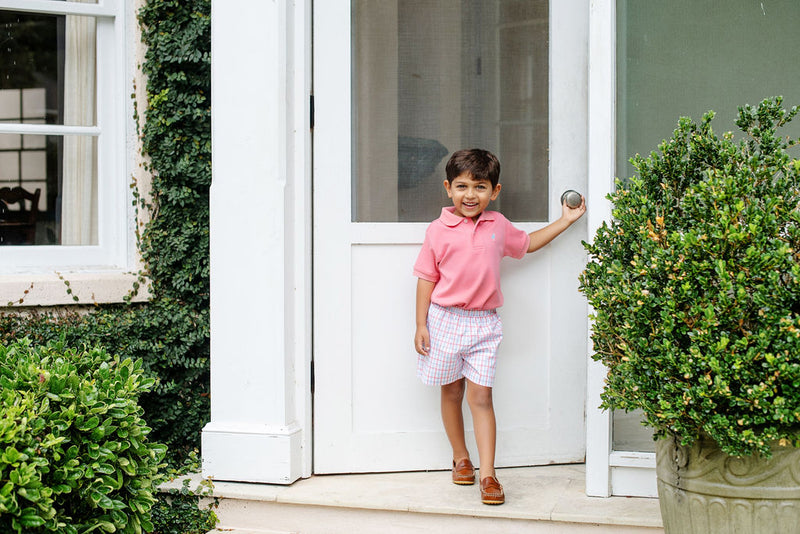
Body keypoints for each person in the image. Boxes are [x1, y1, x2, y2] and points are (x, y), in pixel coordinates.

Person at [412, 148, 586, 505]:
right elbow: (426, 278)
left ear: (495, 191)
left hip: (484, 325)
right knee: (450, 392)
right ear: (448, 188)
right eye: (462, 186)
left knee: (482, 397)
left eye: (480, 186)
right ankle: (461, 458)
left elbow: (528, 244)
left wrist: (566, 221)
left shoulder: (498, 226)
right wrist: (420, 324)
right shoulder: (437, 230)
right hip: (444, 320)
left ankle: (489, 475)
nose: (470, 195)